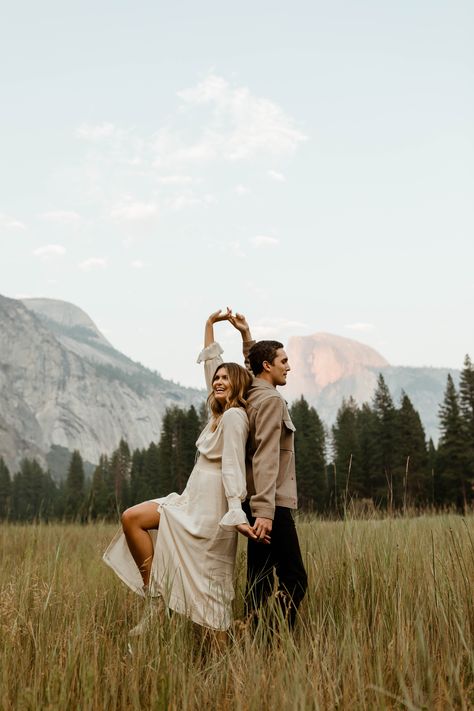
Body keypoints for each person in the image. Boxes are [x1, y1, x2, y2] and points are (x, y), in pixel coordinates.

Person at [103, 309, 266, 636]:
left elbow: (234, 464)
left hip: (210, 513)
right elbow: (211, 370)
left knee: (207, 597)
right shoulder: (218, 414)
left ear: (237, 385)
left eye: (225, 378)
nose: (218, 381)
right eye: (216, 378)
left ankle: (224, 666)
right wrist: (209, 327)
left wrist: (236, 510)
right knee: (132, 518)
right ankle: (156, 599)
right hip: (189, 504)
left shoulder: (235, 418)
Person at [228, 312, 308, 629]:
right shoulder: (271, 399)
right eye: (283, 361)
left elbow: (251, 364)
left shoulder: (249, 392)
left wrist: (247, 335)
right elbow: (265, 456)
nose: (288, 366)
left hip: (255, 503)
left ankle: (250, 631)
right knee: (295, 579)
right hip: (272, 504)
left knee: (260, 579)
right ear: (268, 366)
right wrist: (265, 511)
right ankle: (267, 637)